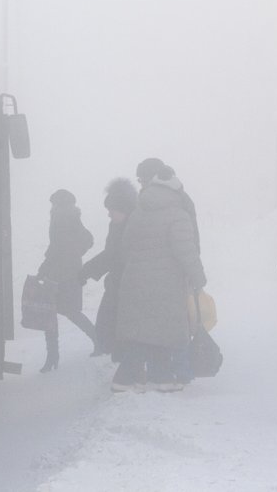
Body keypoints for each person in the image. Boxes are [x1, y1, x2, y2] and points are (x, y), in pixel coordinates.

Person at [113, 165, 207, 392]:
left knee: (141, 332)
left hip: (135, 281)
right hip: (166, 284)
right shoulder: (177, 215)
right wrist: (198, 277)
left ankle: (140, 378)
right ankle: (143, 379)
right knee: (165, 330)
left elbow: (125, 245)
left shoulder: (139, 211)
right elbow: (186, 250)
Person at [37, 189, 97, 372]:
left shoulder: (61, 217)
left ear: (58, 203)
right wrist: (75, 254)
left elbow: (57, 247)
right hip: (70, 272)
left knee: (50, 314)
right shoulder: (72, 216)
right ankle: (99, 340)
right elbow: (87, 240)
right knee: (72, 312)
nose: (52, 207)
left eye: (53, 203)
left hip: (58, 273)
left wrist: (44, 268)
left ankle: (52, 356)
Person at [80, 178, 138, 357]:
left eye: (111, 210)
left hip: (129, 286)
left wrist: (87, 270)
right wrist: (87, 271)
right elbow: (111, 253)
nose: (109, 214)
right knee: (108, 329)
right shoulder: (117, 224)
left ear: (124, 208)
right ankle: (126, 364)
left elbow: (115, 255)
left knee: (117, 329)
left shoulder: (134, 227)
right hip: (117, 283)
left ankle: (130, 367)